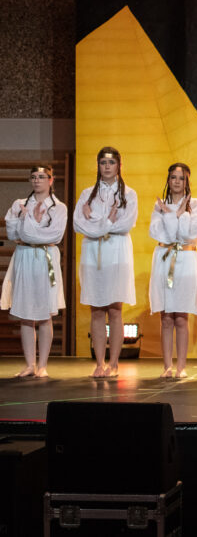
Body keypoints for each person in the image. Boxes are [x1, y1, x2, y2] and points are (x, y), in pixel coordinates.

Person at [73, 147, 138, 379]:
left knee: (115, 309)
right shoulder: (87, 194)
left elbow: (125, 224)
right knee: (96, 309)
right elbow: (78, 225)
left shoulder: (128, 194)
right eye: (103, 162)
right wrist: (106, 221)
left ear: (119, 165)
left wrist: (93, 219)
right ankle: (99, 362)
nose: (107, 166)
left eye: (111, 162)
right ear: (98, 165)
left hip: (117, 252)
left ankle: (114, 362)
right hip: (93, 254)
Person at [1, 165, 67, 379]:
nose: (37, 180)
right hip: (25, 256)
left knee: (45, 313)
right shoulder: (20, 204)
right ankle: (30, 364)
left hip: (45, 258)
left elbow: (54, 236)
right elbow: (13, 234)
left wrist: (29, 225)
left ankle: (43, 365)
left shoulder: (59, 207)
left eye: (41, 177)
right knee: (26, 314)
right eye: (33, 177)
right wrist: (32, 227)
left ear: (51, 180)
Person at [149, 163, 197, 379]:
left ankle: (181, 366)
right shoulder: (160, 205)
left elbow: (188, 235)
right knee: (166, 317)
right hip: (164, 260)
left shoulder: (195, 205)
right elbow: (162, 235)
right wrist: (172, 215)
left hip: (186, 261)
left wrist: (180, 215)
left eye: (182, 178)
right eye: (173, 177)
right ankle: (167, 366)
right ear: (168, 180)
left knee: (181, 316)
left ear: (187, 181)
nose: (177, 182)